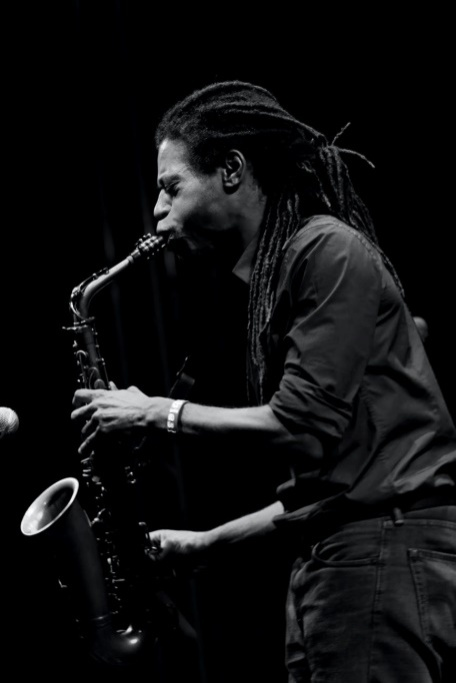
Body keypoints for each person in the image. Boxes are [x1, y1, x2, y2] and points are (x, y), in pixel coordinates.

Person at [71, 81, 456, 682]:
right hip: (337, 555)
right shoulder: (280, 274)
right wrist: (206, 544)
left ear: (230, 170)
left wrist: (156, 414)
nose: (156, 210)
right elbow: (326, 493)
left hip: (378, 552)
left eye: (170, 187)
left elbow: (303, 424)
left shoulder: (324, 247)